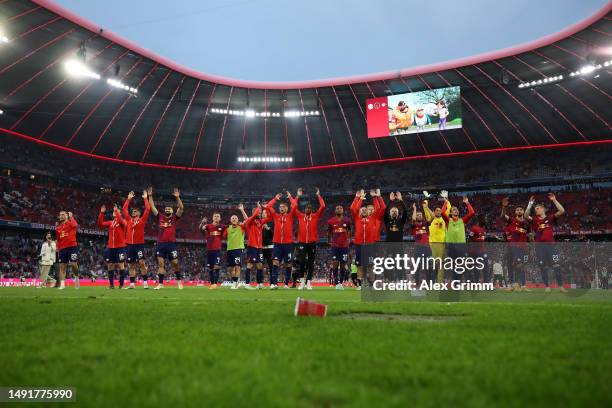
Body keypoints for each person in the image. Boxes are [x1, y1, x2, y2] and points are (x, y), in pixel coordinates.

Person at [525, 193, 567, 293]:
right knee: (543, 266)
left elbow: (562, 211)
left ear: (544, 209)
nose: (536, 210)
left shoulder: (550, 218)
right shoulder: (534, 220)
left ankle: (560, 286)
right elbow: (526, 215)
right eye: (535, 209)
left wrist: (554, 200)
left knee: (556, 265)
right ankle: (547, 286)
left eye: (538, 208)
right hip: (540, 247)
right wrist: (530, 204)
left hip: (551, 246)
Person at [148, 187, 184, 290]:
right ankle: (160, 283)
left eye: (169, 209)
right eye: (166, 209)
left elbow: (181, 208)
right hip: (161, 244)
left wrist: (177, 198)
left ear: (172, 211)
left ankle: (179, 281)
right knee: (161, 264)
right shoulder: (160, 217)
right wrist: (150, 196)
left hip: (171, 244)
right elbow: (152, 206)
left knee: (175, 263)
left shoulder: (174, 218)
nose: (167, 209)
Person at [350, 189, 385, 289]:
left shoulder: (373, 218)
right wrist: (358, 198)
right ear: (360, 212)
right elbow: (352, 208)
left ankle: (371, 283)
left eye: (365, 209)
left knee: (370, 265)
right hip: (359, 245)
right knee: (360, 265)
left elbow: (378, 208)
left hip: (370, 245)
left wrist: (375, 197)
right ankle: (361, 284)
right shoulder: (357, 218)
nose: (364, 210)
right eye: (362, 209)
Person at [293, 187, 326, 290]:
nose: (307, 209)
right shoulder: (300, 216)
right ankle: (302, 282)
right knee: (302, 262)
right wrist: (297, 196)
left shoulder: (315, 216)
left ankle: (308, 283)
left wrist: (318, 195)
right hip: (302, 243)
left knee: (311, 263)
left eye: (309, 208)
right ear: (304, 209)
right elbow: (293, 207)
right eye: (306, 208)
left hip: (312, 243)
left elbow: (323, 206)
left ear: (311, 210)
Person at [264, 191, 297, 289]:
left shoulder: (290, 215)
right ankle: (274, 283)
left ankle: (286, 284)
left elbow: (295, 204)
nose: (281, 208)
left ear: (287, 208)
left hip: (288, 244)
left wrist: (290, 197)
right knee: (275, 262)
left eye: (283, 207)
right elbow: (268, 207)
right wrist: (275, 198)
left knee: (288, 263)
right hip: (277, 244)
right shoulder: (276, 216)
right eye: (280, 207)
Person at [442, 195, 475, 282]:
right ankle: (452, 281)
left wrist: (467, 202)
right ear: (450, 213)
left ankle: (459, 281)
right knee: (451, 265)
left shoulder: (462, 220)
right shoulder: (448, 220)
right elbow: (442, 213)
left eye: (456, 209)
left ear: (458, 212)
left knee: (460, 264)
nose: (455, 210)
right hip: (451, 246)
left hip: (461, 246)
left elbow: (472, 213)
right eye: (453, 210)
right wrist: (445, 202)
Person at [501, 197, 531, 291]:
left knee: (521, 266)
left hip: (522, 248)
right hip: (511, 248)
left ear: (523, 211)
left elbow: (530, 236)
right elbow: (502, 216)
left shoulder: (527, 224)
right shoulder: (512, 221)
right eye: (517, 210)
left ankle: (522, 285)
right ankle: (511, 285)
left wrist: (532, 247)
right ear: (515, 212)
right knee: (511, 266)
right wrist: (504, 207)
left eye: (520, 209)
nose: (519, 211)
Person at [123, 190, 151, 289]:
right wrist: (128, 199)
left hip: (139, 245)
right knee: (131, 265)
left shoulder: (142, 220)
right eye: (133, 211)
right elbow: (124, 209)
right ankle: (132, 284)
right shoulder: (129, 220)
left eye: (135, 211)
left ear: (139, 213)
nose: (133, 212)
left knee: (142, 263)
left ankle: (145, 282)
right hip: (130, 245)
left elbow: (148, 209)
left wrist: (145, 198)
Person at [240, 202, 270, 289]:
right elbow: (247, 218)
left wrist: (266, 208)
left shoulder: (261, 222)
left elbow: (270, 217)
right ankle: (247, 284)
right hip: (252, 246)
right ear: (254, 213)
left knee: (260, 265)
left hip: (259, 247)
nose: (259, 213)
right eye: (258, 212)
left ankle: (260, 284)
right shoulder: (250, 222)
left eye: (260, 213)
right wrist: (243, 210)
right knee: (250, 265)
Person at [98, 204, 127, 289]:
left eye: (117, 211)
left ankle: (121, 285)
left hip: (120, 247)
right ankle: (111, 285)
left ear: (120, 213)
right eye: (114, 211)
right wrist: (102, 213)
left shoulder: (123, 221)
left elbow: (122, 222)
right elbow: (100, 223)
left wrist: (116, 211)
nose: (114, 212)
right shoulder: (111, 223)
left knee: (121, 265)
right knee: (110, 265)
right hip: (110, 248)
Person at [423, 195, 450, 283]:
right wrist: (426, 201)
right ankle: (432, 280)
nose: (438, 212)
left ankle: (439, 282)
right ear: (434, 212)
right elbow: (425, 209)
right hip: (433, 244)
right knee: (434, 264)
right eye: (437, 210)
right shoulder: (430, 219)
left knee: (441, 264)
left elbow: (448, 208)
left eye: (439, 210)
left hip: (442, 244)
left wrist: (447, 201)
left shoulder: (444, 219)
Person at [327, 204, 352, 290]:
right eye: (337, 208)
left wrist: (349, 239)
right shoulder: (331, 221)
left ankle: (341, 283)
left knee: (343, 265)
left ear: (343, 210)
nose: (339, 209)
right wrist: (329, 240)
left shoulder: (347, 220)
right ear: (335, 210)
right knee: (335, 264)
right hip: (335, 246)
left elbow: (349, 230)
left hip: (344, 246)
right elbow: (329, 232)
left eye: (340, 208)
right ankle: (336, 282)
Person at [199, 212, 226, 289]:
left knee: (216, 267)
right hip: (209, 250)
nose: (216, 217)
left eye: (218, 216)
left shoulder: (222, 226)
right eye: (215, 216)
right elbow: (201, 229)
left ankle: (215, 284)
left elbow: (230, 228)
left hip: (217, 250)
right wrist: (202, 223)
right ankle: (212, 283)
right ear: (213, 218)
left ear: (220, 218)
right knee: (210, 268)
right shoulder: (208, 226)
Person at [55, 210, 79, 290]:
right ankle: (62, 284)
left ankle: (76, 277)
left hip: (72, 247)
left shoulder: (71, 223)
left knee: (73, 265)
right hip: (62, 249)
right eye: (60, 214)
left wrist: (71, 217)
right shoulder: (58, 228)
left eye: (63, 214)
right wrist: (58, 249)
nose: (61, 216)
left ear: (67, 216)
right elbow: (58, 240)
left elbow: (75, 225)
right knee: (62, 267)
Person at [223, 211, 246, 289]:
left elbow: (247, 221)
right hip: (229, 250)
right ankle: (235, 282)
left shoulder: (242, 227)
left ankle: (235, 283)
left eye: (235, 218)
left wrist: (242, 210)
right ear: (230, 220)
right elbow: (223, 236)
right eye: (232, 218)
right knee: (230, 268)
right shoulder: (227, 228)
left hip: (238, 249)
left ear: (238, 219)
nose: (234, 219)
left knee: (237, 267)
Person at [411, 201, 432, 285]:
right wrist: (415, 209)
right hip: (418, 249)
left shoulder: (425, 224)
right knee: (417, 267)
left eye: (420, 215)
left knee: (428, 267)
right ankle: (417, 284)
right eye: (417, 215)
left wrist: (426, 207)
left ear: (422, 216)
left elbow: (433, 216)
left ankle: (429, 284)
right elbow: (413, 219)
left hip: (427, 248)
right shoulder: (413, 225)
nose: (419, 216)